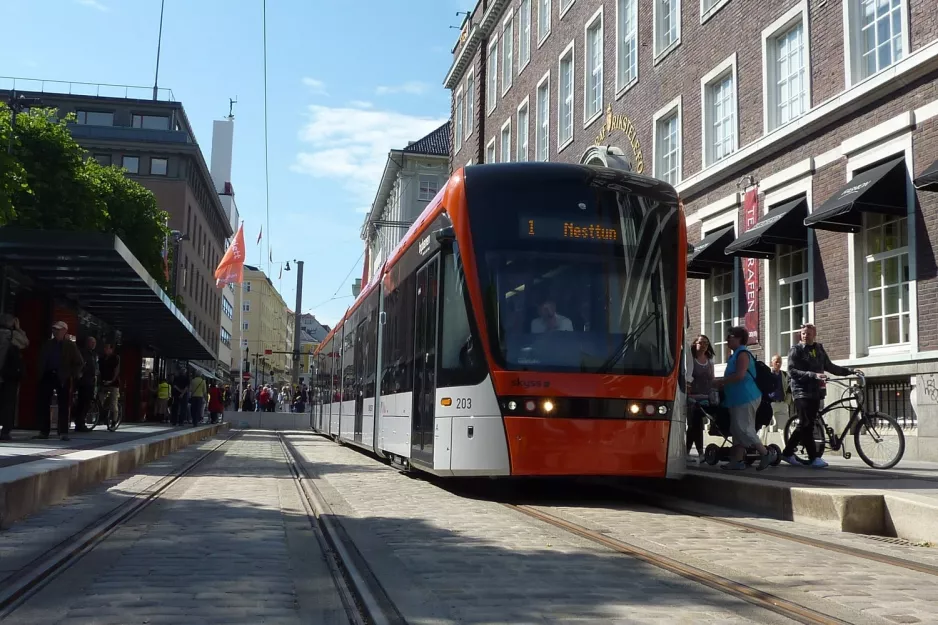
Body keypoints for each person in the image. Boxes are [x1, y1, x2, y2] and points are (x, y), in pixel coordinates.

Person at [782, 323, 857, 468]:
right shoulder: (796, 350)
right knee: (807, 424)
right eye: (803, 333)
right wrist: (813, 375)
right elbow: (791, 371)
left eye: (808, 333)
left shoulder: (819, 349)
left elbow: (830, 366)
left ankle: (787, 452)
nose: (805, 335)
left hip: (816, 392)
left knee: (805, 424)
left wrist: (850, 371)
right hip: (801, 391)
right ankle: (814, 458)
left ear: (814, 334)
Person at [713, 326, 776, 471]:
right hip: (737, 398)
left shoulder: (742, 353)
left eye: (730, 336)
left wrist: (721, 381)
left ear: (739, 338)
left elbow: (740, 375)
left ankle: (765, 453)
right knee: (736, 429)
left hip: (746, 397)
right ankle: (737, 460)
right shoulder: (735, 354)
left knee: (744, 429)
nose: (727, 339)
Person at [35, 321, 83, 440]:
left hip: (62, 377)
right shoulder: (48, 344)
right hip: (48, 375)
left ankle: (63, 432)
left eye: (58, 329)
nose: (55, 331)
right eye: (54, 329)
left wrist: (71, 374)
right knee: (44, 403)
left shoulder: (70, 345)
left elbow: (79, 362)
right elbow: (41, 360)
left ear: (64, 331)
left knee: (63, 404)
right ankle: (44, 431)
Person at [685, 335, 715, 462]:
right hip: (692, 397)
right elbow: (686, 377)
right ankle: (700, 452)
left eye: (706, 344)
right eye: (701, 343)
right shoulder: (690, 360)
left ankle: (688, 452)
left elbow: (712, 379)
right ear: (695, 344)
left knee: (696, 425)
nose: (703, 346)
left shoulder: (709, 360)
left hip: (706, 396)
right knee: (695, 424)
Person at [0, 314, 29, 441]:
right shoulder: (12, 335)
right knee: (8, 402)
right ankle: (5, 431)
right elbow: (26, 342)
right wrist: (18, 329)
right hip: (8, 374)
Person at [75, 336, 98, 433]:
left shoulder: (92, 354)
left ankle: (80, 422)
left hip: (90, 381)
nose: (93, 344)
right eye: (91, 342)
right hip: (84, 381)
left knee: (87, 402)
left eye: (94, 343)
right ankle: (80, 423)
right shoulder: (84, 353)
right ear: (87, 343)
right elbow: (82, 365)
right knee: (83, 402)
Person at [97, 343, 121, 429]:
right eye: (105, 348)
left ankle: (114, 421)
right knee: (99, 400)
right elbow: (99, 370)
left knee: (113, 403)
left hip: (113, 384)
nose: (105, 350)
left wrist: (112, 380)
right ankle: (101, 417)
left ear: (111, 349)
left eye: (107, 348)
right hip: (103, 383)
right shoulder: (102, 358)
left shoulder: (116, 358)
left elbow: (116, 370)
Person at [768, 354, 792, 435]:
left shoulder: (785, 374)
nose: (778, 364)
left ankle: (787, 446)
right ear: (772, 363)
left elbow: (789, 389)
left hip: (782, 403)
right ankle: (761, 446)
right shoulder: (768, 374)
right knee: (764, 427)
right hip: (770, 404)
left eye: (780, 362)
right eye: (776, 362)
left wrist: (787, 402)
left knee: (785, 428)